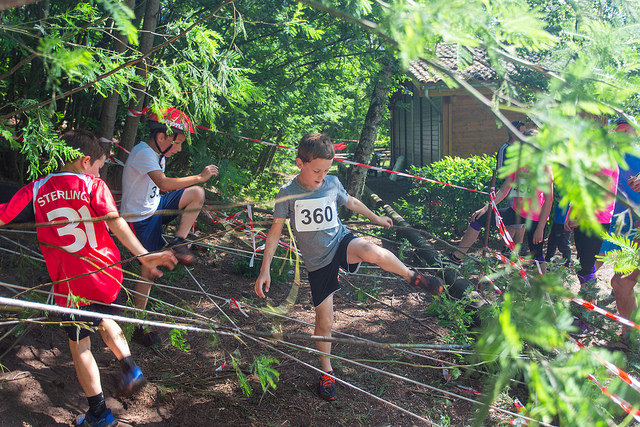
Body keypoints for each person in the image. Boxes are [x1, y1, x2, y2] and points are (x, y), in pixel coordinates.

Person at [0, 130, 177, 427]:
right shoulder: (94, 185)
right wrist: (144, 255)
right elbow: (115, 222)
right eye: (98, 166)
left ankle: (98, 413)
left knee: (80, 346)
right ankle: (130, 366)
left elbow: (4, 216)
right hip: (106, 275)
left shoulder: (37, 187)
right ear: (85, 162)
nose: (99, 172)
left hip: (72, 285)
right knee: (106, 317)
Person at [254, 133, 444, 402]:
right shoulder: (287, 193)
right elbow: (274, 233)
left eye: (327, 170)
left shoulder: (332, 183)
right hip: (318, 263)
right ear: (300, 163)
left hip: (340, 241)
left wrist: (376, 218)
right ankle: (327, 374)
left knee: (368, 249)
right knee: (325, 322)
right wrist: (265, 269)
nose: (322, 176)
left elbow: (351, 202)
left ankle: (412, 276)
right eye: (316, 170)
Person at [120, 107, 218, 346]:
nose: (180, 148)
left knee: (196, 194)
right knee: (148, 269)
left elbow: (161, 189)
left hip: (155, 208)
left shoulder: (158, 154)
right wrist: (199, 176)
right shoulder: (144, 153)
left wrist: (197, 184)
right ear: (161, 137)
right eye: (178, 142)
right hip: (139, 219)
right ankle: (138, 325)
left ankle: (179, 242)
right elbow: (163, 184)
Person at [449, 131, 553, 273]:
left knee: (537, 254)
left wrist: (540, 228)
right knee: (478, 219)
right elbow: (504, 191)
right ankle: (455, 258)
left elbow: (549, 199)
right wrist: (486, 208)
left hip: (535, 216)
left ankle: (545, 290)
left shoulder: (544, 167)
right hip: (516, 211)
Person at [496, 120, 527, 252]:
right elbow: (500, 170)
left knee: (521, 220)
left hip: (523, 188)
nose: (524, 134)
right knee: (512, 220)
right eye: (522, 131)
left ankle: (518, 248)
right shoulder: (505, 149)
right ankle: (507, 247)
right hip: (510, 188)